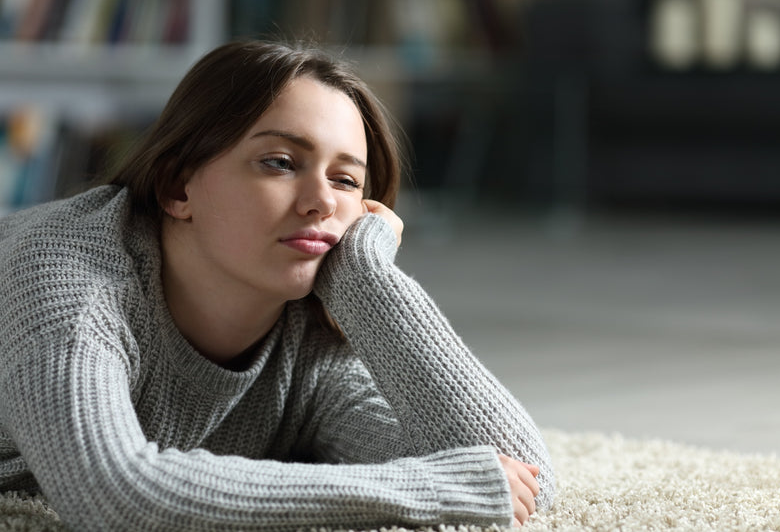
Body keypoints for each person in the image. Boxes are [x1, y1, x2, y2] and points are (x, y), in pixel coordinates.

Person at [0, 40, 554, 531]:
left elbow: (516, 477)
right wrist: (425, 488)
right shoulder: (66, 285)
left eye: (345, 180)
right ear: (178, 187)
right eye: (280, 163)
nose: (321, 201)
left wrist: (369, 279)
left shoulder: (305, 343)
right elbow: (110, 495)